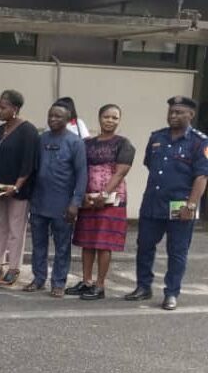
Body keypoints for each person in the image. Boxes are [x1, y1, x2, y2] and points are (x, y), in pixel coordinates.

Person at [126, 95, 208, 310]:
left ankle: (171, 293)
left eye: (179, 112)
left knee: (177, 251)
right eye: (171, 111)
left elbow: (202, 176)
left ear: (191, 114)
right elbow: (149, 165)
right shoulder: (157, 137)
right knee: (144, 246)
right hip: (153, 203)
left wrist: (190, 205)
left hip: (180, 206)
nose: (173, 115)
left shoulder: (200, 142)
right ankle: (143, 287)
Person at [67, 104, 135, 300]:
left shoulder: (124, 143)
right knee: (87, 242)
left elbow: (121, 171)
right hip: (89, 199)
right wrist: (83, 195)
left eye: (115, 118)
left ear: (119, 121)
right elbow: (80, 169)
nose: (110, 121)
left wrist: (104, 194)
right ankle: (86, 281)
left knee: (103, 244)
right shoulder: (87, 143)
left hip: (112, 200)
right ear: (99, 118)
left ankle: (100, 285)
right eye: (107, 117)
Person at [23, 103, 86, 298]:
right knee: (38, 245)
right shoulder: (41, 140)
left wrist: (75, 203)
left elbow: (82, 175)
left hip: (63, 205)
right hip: (39, 202)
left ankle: (58, 283)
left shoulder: (75, 142)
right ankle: (39, 278)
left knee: (62, 246)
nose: (52, 119)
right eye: (50, 116)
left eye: (58, 116)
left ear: (68, 120)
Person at [0, 89, 39, 287]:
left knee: (16, 228)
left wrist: (16, 187)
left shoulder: (28, 131)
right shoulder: (0, 130)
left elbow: (29, 162)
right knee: (1, 225)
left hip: (18, 189)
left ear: (15, 109)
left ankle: (14, 267)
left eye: (3, 107)